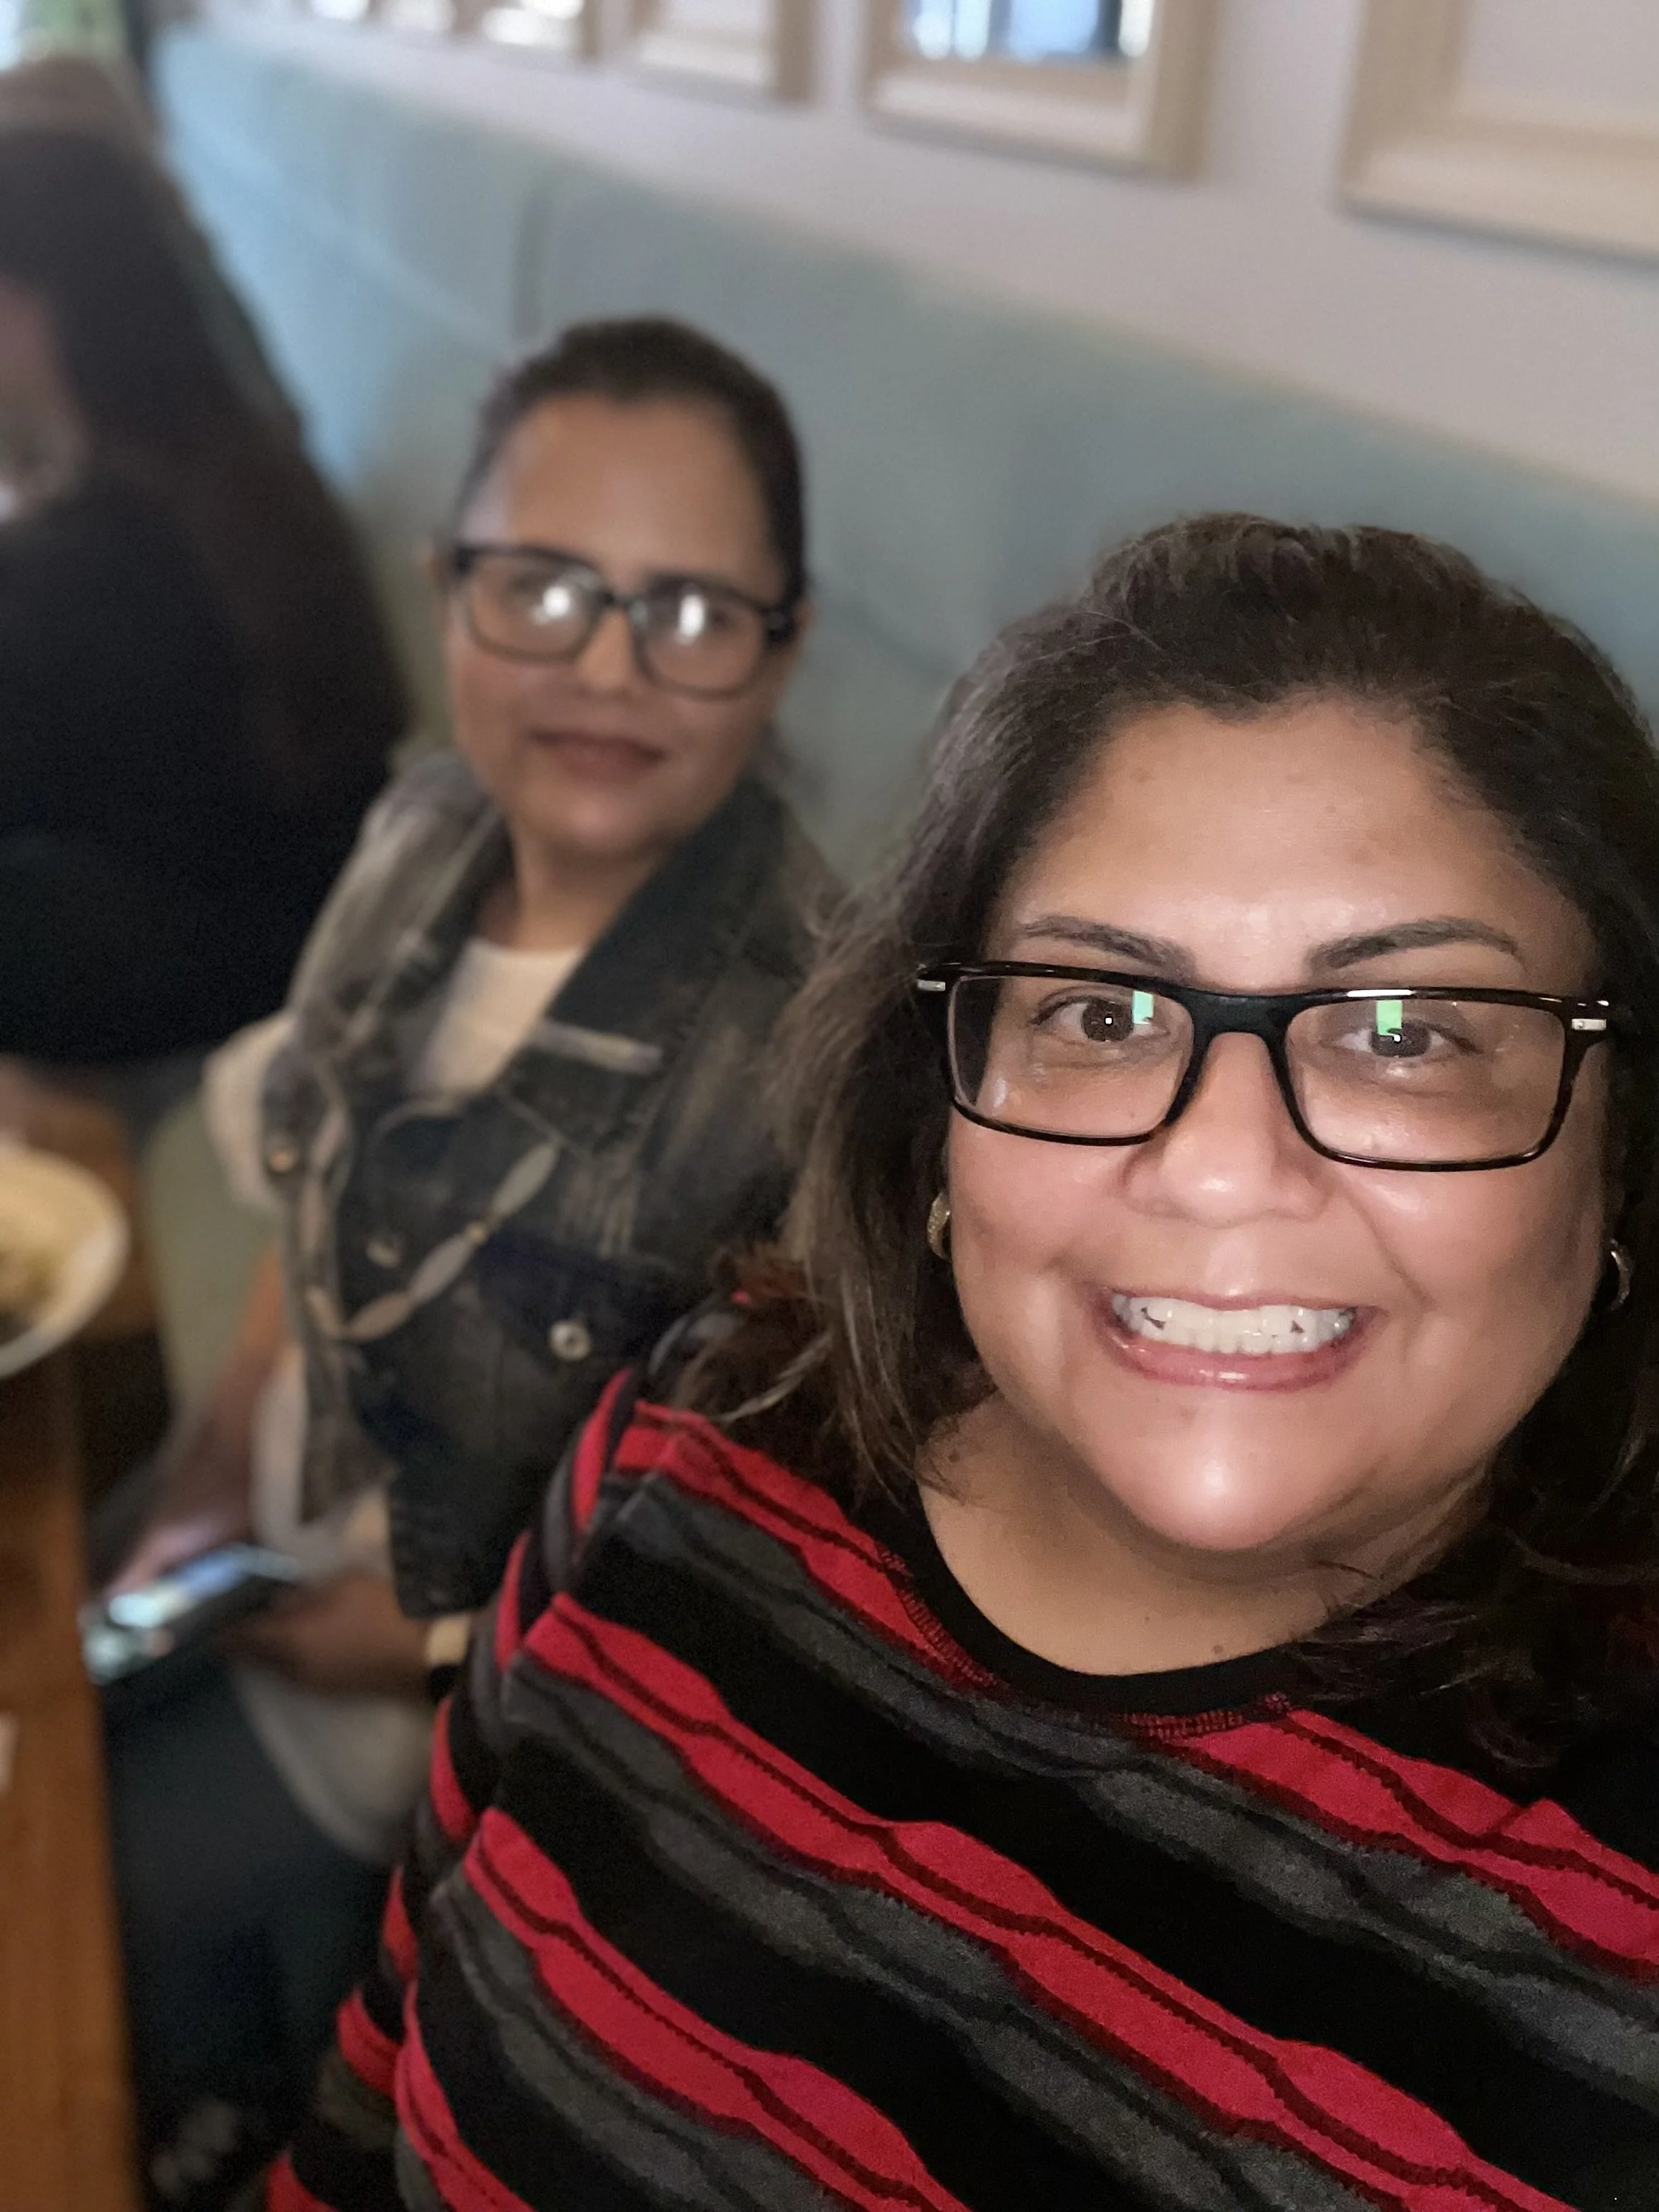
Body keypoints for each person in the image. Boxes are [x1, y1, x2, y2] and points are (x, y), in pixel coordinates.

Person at [277, 515, 1659, 2212]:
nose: (1221, 1166)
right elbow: (365, 2101)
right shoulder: (702, 1435)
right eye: (1097, 1010)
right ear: (934, 1122)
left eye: (1405, 1033)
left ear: (1617, 1153)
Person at [103, 314, 834, 2205]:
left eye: (688, 611)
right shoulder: (423, 821)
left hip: (449, 1723)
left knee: (67, 1911)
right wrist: (208, 1453)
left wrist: (415, 1646)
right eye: (544, 589)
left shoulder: (800, 1067)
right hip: (250, 1559)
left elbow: (740, 1576)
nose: (603, 665)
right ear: (449, 591)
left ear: (784, 641)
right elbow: (315, 1177)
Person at [0, 127, 405, 1064]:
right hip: (306, 904)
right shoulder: (239, 455)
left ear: (41, 303)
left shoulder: (89, 561)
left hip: (231, 959)